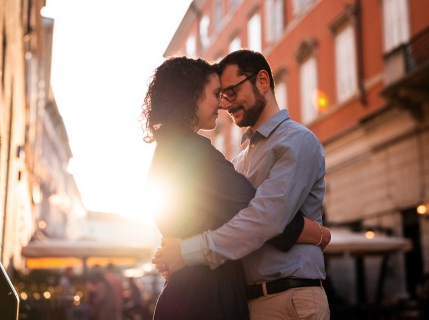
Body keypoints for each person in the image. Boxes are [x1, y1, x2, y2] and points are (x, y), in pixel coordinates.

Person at [141, 56, 330, 320]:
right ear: (191, 95)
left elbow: (261, 217)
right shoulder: (200, 154)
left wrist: (183, 251)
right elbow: (259, 216)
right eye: (218, 93)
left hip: (281, 298)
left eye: (230, 92)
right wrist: (314, 233)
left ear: (262, 81)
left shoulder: (296, 141)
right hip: (206, 298)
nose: (224, 102)